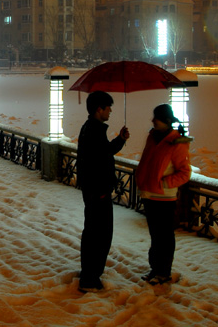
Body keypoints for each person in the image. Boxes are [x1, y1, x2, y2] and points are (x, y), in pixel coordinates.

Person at [76, 91, 130, 292]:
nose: (111, 111)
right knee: (100, 234)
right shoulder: (94, 130)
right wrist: (100, 190)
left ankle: (88, 272)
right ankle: (90, 277)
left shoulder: (91, 128)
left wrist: (119, 139)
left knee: (93, 232)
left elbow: (103, 152)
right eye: (108, 107)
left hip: (93, 189)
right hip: (98, 190)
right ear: (99, 109)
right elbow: (98, 160)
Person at [136, 103, 192, 285]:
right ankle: (155, 268)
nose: (153, 121)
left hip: (165, 197)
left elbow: (185, 172)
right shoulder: (152, 138)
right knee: (155, 235)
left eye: (157, 118)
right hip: (149, 195)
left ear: (167, 120)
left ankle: (164, 272)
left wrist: (166, 183)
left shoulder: (176, 144)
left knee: (165, 236)